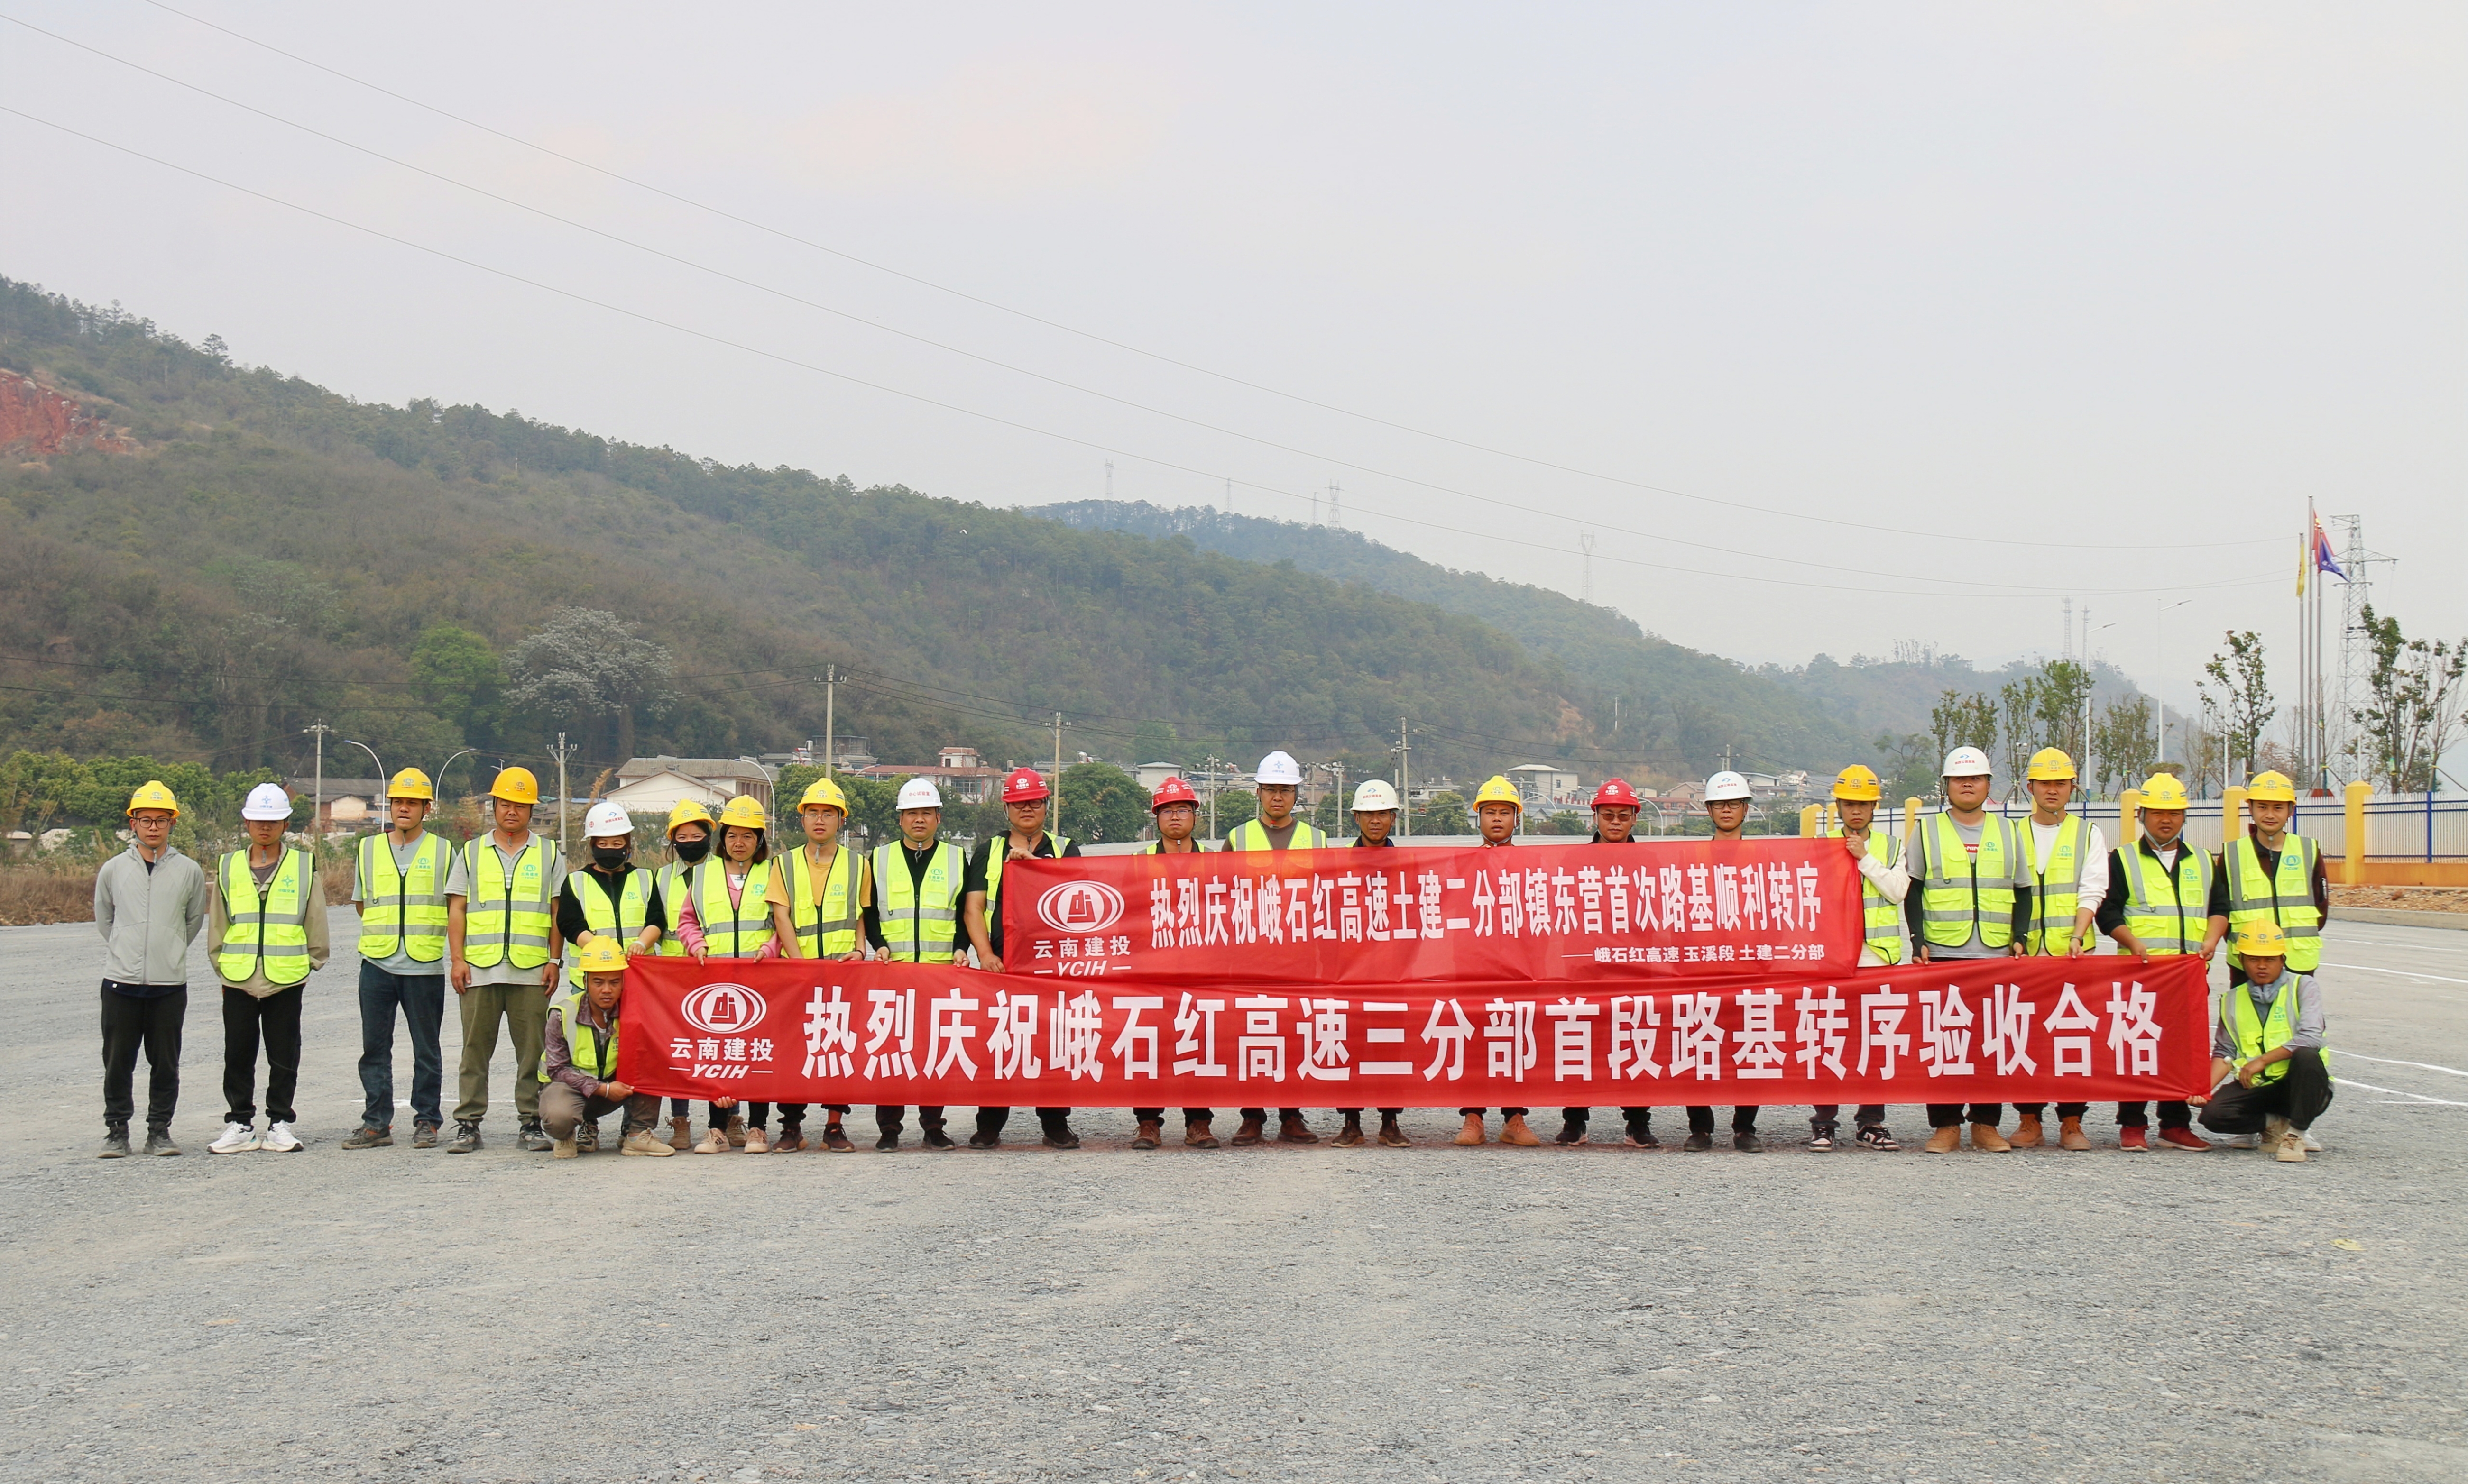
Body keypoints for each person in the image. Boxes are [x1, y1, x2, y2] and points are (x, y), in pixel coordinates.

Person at [1905, 746, 2031, 1154]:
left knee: (1990, 1042)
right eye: (1959, 779)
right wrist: (1917, 939)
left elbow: (2024, 890)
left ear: (1988, 785)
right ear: (1946, 786)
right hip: (1943, 952)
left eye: (1975, 778)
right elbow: (1914, 889)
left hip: (1994, 953)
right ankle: (1945, 1126)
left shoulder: (2009, 831)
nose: (1967, 784)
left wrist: (2021, 935)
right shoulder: (1927, 831)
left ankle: (1986, 1124)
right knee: (1944, 1039)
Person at [2096, 772, 2224, 1151]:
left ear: (2185, 816)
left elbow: (2219, 908)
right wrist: (2133, 942)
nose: (2165, 820)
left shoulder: (2202, 861)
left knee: (2182, 1050)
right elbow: (2108, 913)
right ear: (2142, 815)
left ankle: (2175, 1123)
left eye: (2174, 813)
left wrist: (2212, 940)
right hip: (2141, 976)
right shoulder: (2122, 859)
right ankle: (2132, 1124)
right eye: (2156, 813)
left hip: (2188, 975)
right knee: (2136, 1046)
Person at [961, 767, 1085, 1150]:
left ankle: (1055, 1123)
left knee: (1052, 1043)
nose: (1027, 808)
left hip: (1052, 965)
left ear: (1047, 805)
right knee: (998, 1041)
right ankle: (989, 1124)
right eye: (1018, 802)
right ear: (1007, 808)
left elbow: (1080, 900)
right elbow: (974, 908)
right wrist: (984, 954)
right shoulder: (989, 850)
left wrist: (1033, 864)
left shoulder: (1066, 848)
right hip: (1002, 965)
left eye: (1034, 801)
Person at [444, 766, 565, 1155]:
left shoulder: (549, 854)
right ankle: (468, 1123)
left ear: (532, 810)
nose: (511, 812)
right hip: (480, 968)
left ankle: (530, 1122)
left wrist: (555, 960)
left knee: (533, 1052)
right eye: (505, 804)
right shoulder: (472, 852)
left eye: (520, 805)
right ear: (493, 806)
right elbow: (457, 909)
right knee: (475, 1050)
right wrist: (458, 960)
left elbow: (556, 911)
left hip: (531, 970)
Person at [204, 782, 330, 1154]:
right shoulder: (228, 866)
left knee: (284, 1052)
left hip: (287, 977)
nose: (265, 827)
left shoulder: (303, 866)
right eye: (258, 820)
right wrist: (222, 965)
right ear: (246, 822)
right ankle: (240, 1123)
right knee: (238, 1052)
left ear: (286, 823)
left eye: (273, 821)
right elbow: (218, 922)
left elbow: (316, 919)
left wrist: (310, 963)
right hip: (238, 976)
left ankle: (280, 1122)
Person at [93, 779, 209, 1157]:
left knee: (165, 1063)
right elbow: (106, 921)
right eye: (146, 819)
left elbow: (192, 922)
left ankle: (160, 1131)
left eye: (162, 820)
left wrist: (168, 949)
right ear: (133, 823)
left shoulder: (189, 871)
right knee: (117, 1062)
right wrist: (128, 951)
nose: (154, 827)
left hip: (168, 985)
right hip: (121, 984)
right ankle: (117, 1131)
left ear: (173, 823)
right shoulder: (113, 870)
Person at [2217, 769, 2329, 1153]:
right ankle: (2251, 1122)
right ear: (2250, 809)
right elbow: (2221, 905)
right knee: (2245, 1039)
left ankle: (2299, 1122)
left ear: (2290, 810)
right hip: (2247, 963)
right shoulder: (2232, 855)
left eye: (2277, 807)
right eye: (2262, 806)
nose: (2270, 814)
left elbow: (2320, 904)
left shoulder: (2309, 850)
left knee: (2300, 1044)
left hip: (2295, 962)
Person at [2006, 748, 2110, 1151]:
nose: (2053, 790)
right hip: (2024, 954)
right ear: (2030, 786)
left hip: (2072, 954)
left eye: (2061, 783)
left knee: (2072, 1035)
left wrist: (2078, 934)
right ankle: (2029, 1119)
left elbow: (2093, 887)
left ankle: (2072, 1121)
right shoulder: (2012, 834)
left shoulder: (2088, 834)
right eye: (2045, 783)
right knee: (2024, 1037)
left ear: (2072, 788)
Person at [344, 769, 453, 1152]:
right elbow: (362, 902)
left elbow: (454, 904)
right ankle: (376, 1122)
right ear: (390, 806)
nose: (404, 809)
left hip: (424, 965)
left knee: (427, 1049)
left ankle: (427, 1120)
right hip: (377, 963)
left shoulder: (444, 851)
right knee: (375, 1048)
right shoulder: (368, 849)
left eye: (412, 803)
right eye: (398, 802)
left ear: (427, 807)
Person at [1225, 750, 1328, 1146]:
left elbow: (1328, 897)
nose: (1278, 797)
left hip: (1299, 956)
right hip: (1251, 955)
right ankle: (1252, 1116)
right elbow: (1222, 896)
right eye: (1271, 789)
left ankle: (1292, 1115)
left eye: (1285, 790)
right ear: (1259, 792)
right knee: (1253, 1033)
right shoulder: (1238, 837)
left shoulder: (1316, 839)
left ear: (1297, 794)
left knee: (1294, 1034)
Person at [553, 799, 666, 1153]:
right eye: (604, 843)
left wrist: (641, 943)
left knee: (634, 1055)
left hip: (636, 982)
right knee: (589, 1054)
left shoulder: (645, 878)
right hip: (592, 983)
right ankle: (585, 1124)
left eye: (618, 842)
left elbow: (657, 921)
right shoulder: (576, 882)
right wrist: (602, 953)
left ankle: (634, 1129)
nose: (611, 849)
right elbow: (571, 924)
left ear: (628, 843)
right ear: (592, 845)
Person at [678, 797, 786, 1151]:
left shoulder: (773, 873)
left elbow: (783, 923)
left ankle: (757, 1128)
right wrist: (696, 946)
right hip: (716, 979)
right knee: (719, 1055)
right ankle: (717, 1129)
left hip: (761, 978)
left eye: (748, 837)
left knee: (758, 1053)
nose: (739, 843)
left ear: (760, 841)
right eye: (732, 836)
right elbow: (687, 921)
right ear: (722, 838)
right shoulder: (703, 874)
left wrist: (771, 949)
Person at [1557, 777, 1660, 1149]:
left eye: (1623, 815)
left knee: (1635, 1037)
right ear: (1595, 817)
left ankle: (1637, 1121)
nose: (1615, 822)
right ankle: (1575, 1120)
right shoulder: (1574, 861)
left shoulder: (1649, 863)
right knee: (1579, 1037)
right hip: (1585, 965)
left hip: (1632, 964)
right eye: (1608, 815)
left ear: (1635, 819)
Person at [1807, 764, 1906, 1152]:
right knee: (1827, 1040)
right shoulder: (1818, 845)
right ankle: (1824, 1123)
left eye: (1864, 804)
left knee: (1876, 1043)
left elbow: (1898, 892)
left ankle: (1871, 1122)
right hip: (1831, 960)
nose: (1856, 811)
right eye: (1849, 804)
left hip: (1878, 959)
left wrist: (1865, 858)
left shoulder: (1892, 847)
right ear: (1838, 805)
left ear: (1875, 806)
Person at [768, 776, 868, 1152]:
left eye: (829, 813)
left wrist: (860, 950)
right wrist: (799, 965)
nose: (820, 820)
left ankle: (834, 1126)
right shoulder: (784, 864)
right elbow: (782, 916)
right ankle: (791, 1126)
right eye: (813, 813)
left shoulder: (859, 864)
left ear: (841, 820)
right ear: (803, 819)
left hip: (844, 973)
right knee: (794, 1049)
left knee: (839, 1047)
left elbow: (861, 916)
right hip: (798, 973)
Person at [865, 778, 965, 1151]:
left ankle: (933, 1126)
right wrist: (879, 944)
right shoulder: (880, 858)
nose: (919, 820)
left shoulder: (956, 857)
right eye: (911, 814)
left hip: (940, 971)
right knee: (891, 1047)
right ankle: (889, 1128)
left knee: (932, 1050)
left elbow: (964, 912)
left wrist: (962, 946)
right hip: (894, 971)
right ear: (901, 819)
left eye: (926, 813)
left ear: (939, 818)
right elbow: (869, 910)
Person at [1132, 776, 1220, 1149]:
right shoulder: (1139, 863)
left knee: (1198, 1043)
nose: (1175, 818)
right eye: (1167, 811)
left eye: (1182, 810)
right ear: (1157, 818)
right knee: (1149, 1044)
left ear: (1195, 816)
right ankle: (1148, 1122)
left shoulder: (1216, 864)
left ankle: (1198, 1122)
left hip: (1200, 969)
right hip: (1152, 969)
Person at [2195, 922, 2331, 1162]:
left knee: (2307, 1056)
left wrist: (2261, 1062)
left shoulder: (2303, 987)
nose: (2261, 966)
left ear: (2282, 959)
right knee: (2213, 1115)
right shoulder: (2232, 999)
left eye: (2269, 959)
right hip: (2258, 1087)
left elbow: (2310, 1037)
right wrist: (2201, 1090)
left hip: (2300, 1086)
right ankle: (2275, 1124)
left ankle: (2297, 1134)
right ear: (2242, 960)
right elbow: (2226, 1051)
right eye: (2253, 959)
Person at [1457, 774, 1541, 1147]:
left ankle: (1515, 1118)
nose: (1497, 819)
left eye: (1504, 813)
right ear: (1479, 818)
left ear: (1516, 819)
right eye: (1489, 812)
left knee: (1515, 1037)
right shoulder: (1462, 864)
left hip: (1517, 965)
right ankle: (1473, 1119)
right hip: (1473, 966)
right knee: (1473, 1039)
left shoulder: (1532, 864)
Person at [1684, 770, 1766, 1153]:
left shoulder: (1764, 858)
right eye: (1720, 804)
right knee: (1700, 1043)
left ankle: (1745, 1127)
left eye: (1734, 803)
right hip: (1703, 965)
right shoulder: (1691, 857)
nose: (1727, 810)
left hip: (1749, 965)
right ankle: (1700, 1127)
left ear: (1746, 808)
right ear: (1709, 810)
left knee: (1750, 1044)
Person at [540, 936, 674, 1157]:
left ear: (624, 982)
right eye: (598, 982)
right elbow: (557, 1069)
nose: (607, 990)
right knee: (558, 1117)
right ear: (585, 981)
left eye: (614, 982)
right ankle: (567, 1135)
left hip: (619, 1086)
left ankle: (637, 1135)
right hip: (573, 1090)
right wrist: (604, 1089)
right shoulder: (562, 1015)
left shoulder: (636, 1012)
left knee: (653, 1064)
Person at [652, 799, 732, 1151]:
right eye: (681, 836)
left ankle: (730, 1119)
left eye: (696, 835)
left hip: (715, 971)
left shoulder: (725, 870)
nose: (689, 841)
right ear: (673, 840)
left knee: (725, 1048)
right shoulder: (661, 877)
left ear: (709, 836)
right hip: (673, 976)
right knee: (680, 1051)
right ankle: (680, 1120)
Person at [1334, 779, 1409, 1149]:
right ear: (1357, 818)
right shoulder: (1339, 866)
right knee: (1350, 1044)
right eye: (1368, 814)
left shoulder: (1408, 865)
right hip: (1350, 970)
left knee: (1390, 1044)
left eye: (1382, 814)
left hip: (1393, 970)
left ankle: (1390, 1120)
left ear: (1393, 818)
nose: (1375, 821)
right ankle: (1350, 1122)